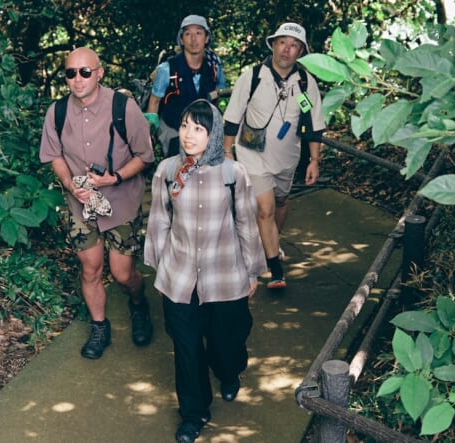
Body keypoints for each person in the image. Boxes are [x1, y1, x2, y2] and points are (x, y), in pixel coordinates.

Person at [144, 99, 266, 443]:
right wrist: (160, 270)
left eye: (198, 128)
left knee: (226, 344)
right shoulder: (167, 170)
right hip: (179, 276)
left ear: (212, 134)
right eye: (184, 126)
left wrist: (253, 272)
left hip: (225, 276)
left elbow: (246, 224)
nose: (188, 135)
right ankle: (193, 414)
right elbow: (159, 221)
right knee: (186, 348)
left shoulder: (232, 173)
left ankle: (229, 372)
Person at [39, 47, 155, 359]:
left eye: (85, 72)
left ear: (99, 73)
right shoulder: (58, 111)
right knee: (90, 268)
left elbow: (145, 156)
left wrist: (114, 178)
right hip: (80, 204)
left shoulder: (123, 107)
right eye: (71, 73)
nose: (77, 79)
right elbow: (54, 156)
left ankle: (138, 303)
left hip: (121, 201)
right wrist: (69, 184)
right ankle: (99, 327)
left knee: (122, 273)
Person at [222, 22, 326, 290]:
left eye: (293, 45)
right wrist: (227, 151)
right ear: (273, 45)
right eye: (282, 42)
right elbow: (232, 117)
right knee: (264, 208)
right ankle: (275, 270)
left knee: (280, 202)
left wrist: (314, 161)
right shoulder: (253, 76)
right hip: (252, 153)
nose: (286, 50)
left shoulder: (305, 82)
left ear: (300, 51)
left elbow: (314, 126)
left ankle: (270, 243)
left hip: (288, 157)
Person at [147, 14, 227, 159]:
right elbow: (154, 101)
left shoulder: (214, 66)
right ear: (182, 40)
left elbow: (217, 95)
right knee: (177, 170)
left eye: (198, 33)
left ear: (206, 38)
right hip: (173, 128)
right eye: (188, 34)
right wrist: (150, 131)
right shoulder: (167, 69)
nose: (193, 39)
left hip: (203, 129)